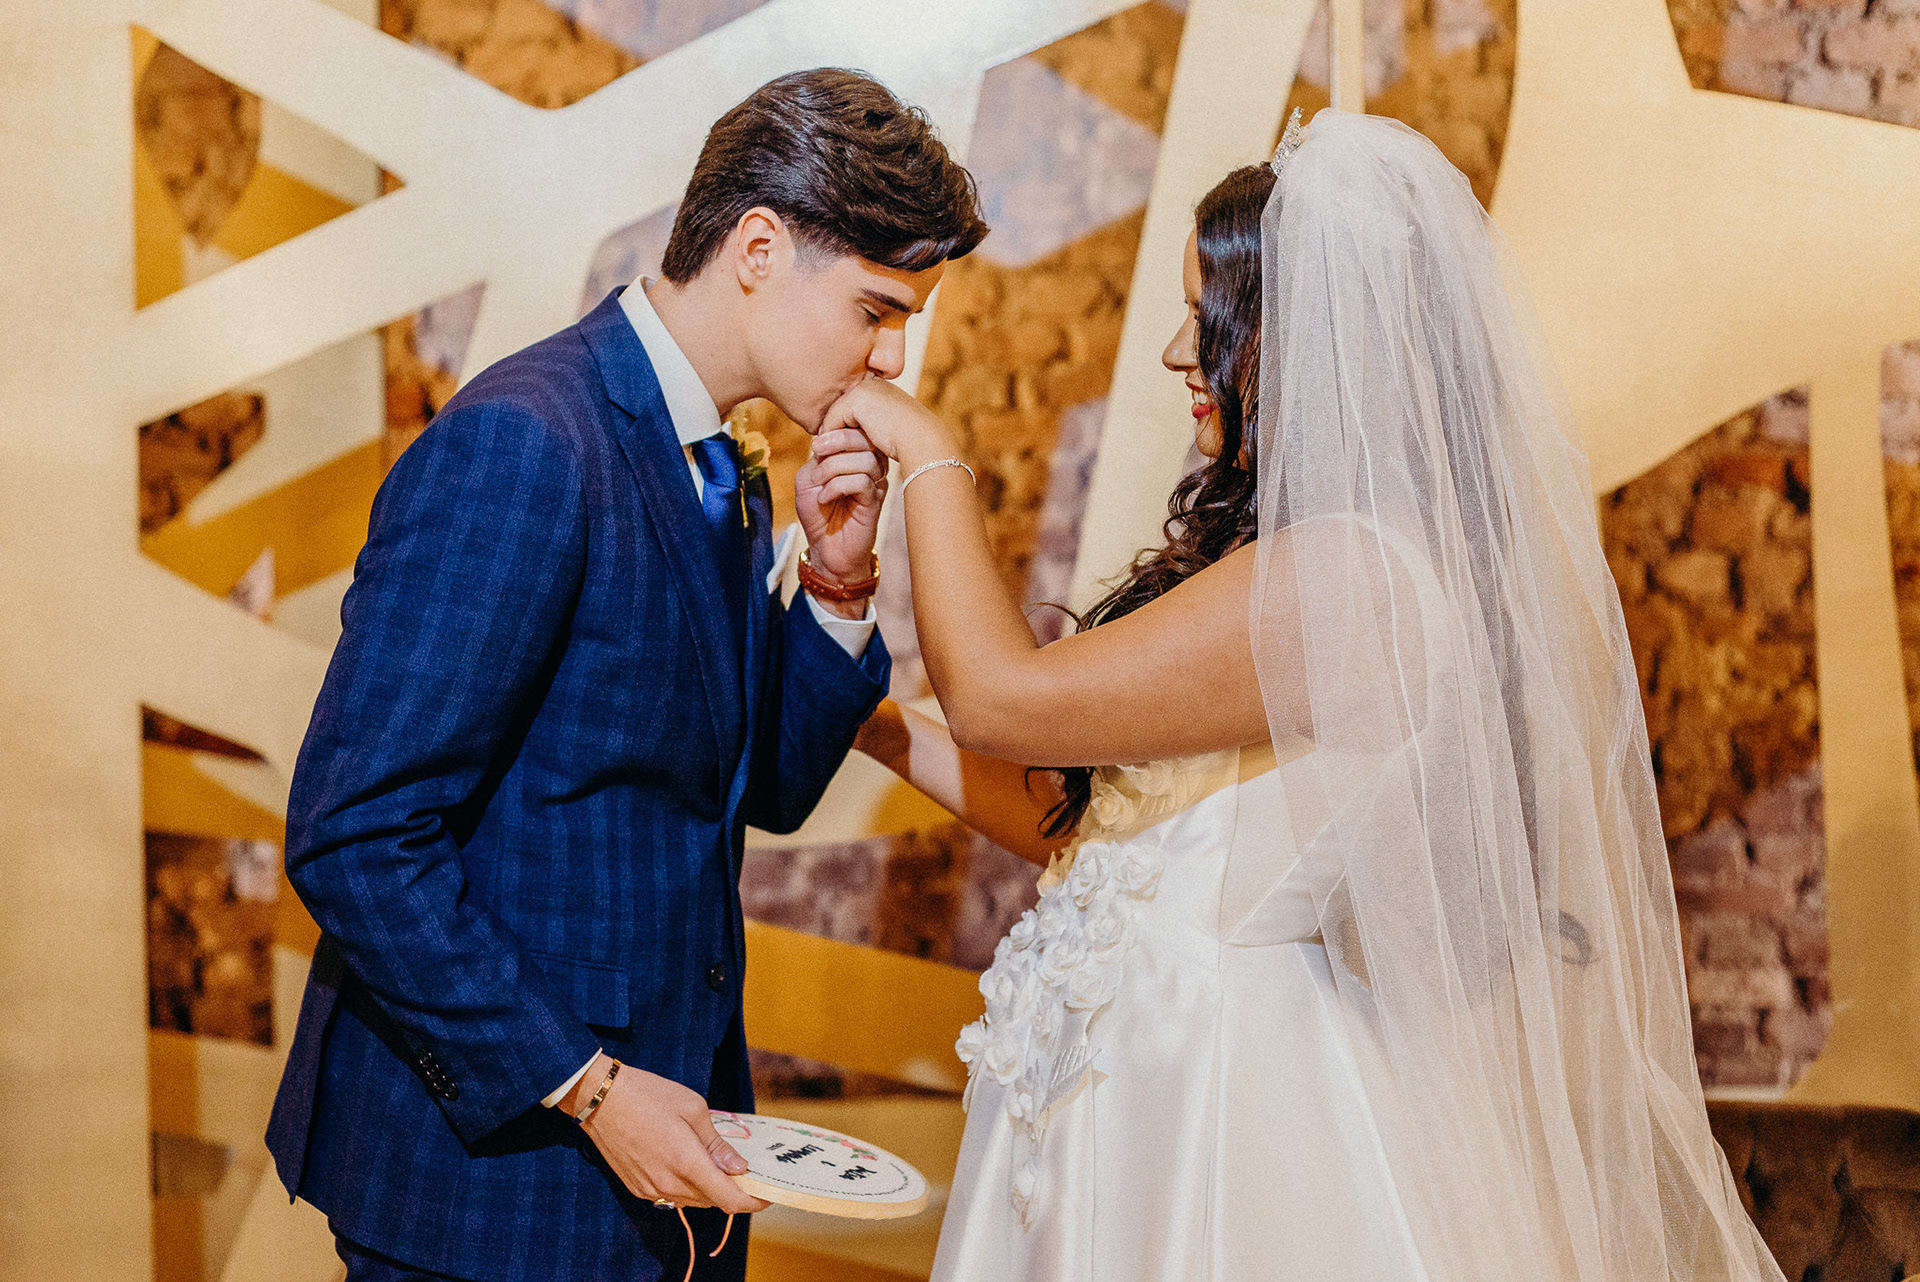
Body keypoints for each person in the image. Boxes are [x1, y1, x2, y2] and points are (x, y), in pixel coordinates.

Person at [836, 110, 1784, 1280]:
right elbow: (1096, 836)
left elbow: (999, 699)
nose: (1178, 353)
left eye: (1208, 319)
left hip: (1224, 1108)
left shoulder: (1354, 576)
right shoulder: (1302, 558)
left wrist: (925, 447)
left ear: (1309, 336)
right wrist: (876, 726)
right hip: (1135, 1085)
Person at [264, 69, 987, 1282]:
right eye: (875, 308)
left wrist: (837, 584)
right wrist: (589, 1087)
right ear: (758, 248)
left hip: (668, 1164)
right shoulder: (528, 440)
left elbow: (755, 791)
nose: (892, 356)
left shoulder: (723, 463)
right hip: (490, 1193)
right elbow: (354, 832)